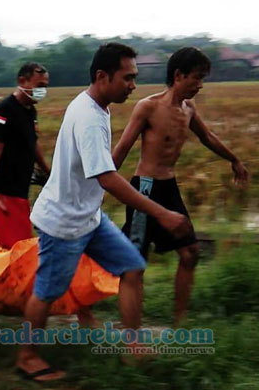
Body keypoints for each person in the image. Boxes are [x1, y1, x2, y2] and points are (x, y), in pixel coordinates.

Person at [21, 43, 192, 382]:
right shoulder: (88, 117)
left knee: (132, 267)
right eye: (127, 78)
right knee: (47, 291)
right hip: (64, 223)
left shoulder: (97, 107)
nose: (133, 85)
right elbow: (107, 178)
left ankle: (132, 346)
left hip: (89, 217)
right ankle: (26, 356)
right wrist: (162, 213)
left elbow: (104, 170)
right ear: (102, 76)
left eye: (135, 78)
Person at [112, 47, 249, 326]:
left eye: (203, 79)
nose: (200, 85)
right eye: (196, 78)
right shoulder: (148, 107)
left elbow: (207, 136)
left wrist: (234, 159)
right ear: (178, 75)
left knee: (190, 253)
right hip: (145, 189)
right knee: (135, 262)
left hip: (169, 187)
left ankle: (178, 322)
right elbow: (122, 149)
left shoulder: (188, 109)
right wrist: (96, 183)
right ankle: (130, 333)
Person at [0, 63, 51, 249]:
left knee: (14, 244)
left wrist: (49, 172)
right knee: (19, 247)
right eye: (39, 86)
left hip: (20, 189)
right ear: (22, 81)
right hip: (3, 191)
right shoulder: (3, 111)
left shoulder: (31, 111)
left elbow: (33, 143)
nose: (42, 91)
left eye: (45, 87)